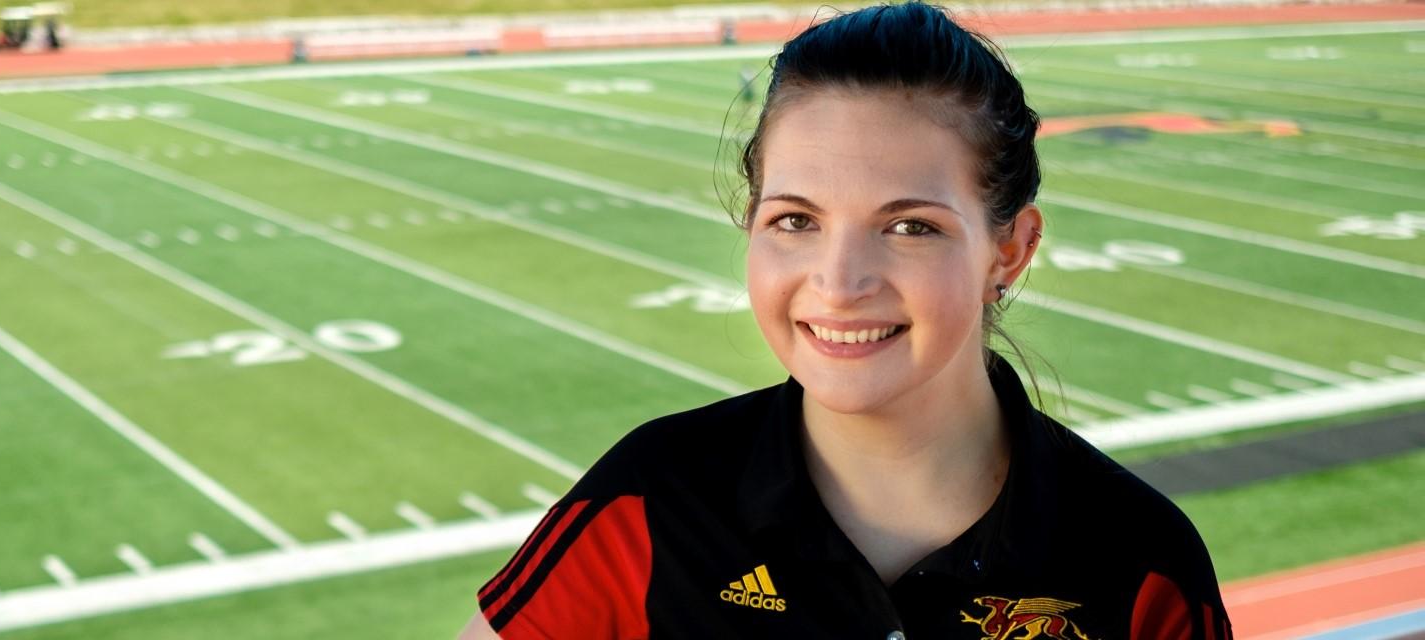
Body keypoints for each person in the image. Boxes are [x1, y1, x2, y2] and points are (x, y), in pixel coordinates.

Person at [459, 2, 1233, 638]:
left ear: (1010, 250)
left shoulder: (1141, 564)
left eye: (909, 227)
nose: (838, 284)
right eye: (796, 221)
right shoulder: (649, 500)